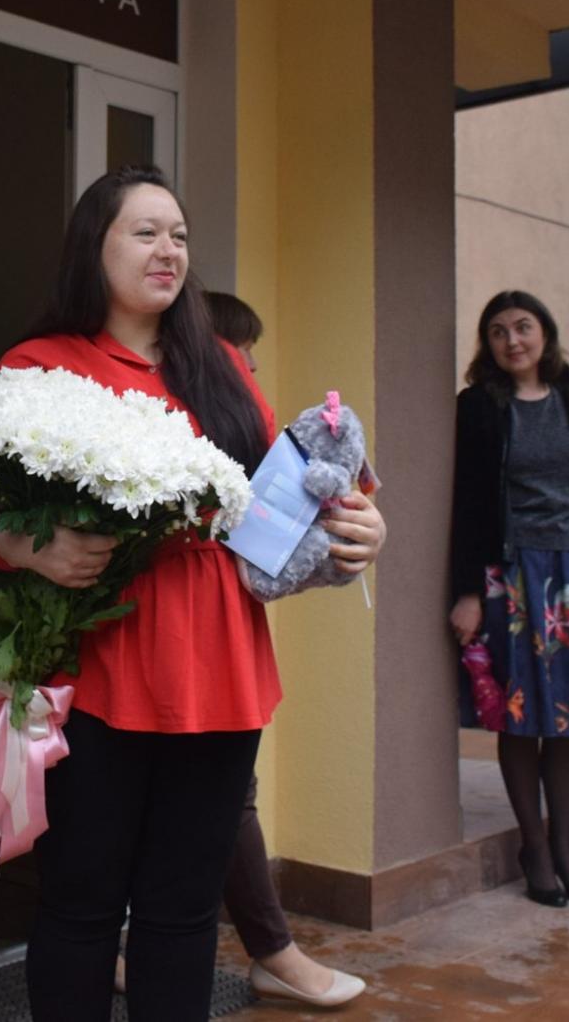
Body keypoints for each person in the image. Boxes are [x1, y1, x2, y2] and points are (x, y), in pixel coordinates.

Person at [0, 167, 386, 1020]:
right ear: (93, 247)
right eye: (145, 232)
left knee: (183, 913)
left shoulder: (219, 364)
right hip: (96, 672)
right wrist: (31, 549)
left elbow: (282, 500)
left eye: (179, 235)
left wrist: (361, 527)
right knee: (81, 904)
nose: (168, 250)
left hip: (220, 668)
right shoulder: (39, 366)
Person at [203, 290, 365, 1008]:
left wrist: (361, 527)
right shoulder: (208, 413)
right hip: (186, 638)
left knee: (217, 794)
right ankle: (273, 952)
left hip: (223, 634)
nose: (254, 368)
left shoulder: (241, 421)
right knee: (222, 796)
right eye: (244, 352)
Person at [449, 290, 569, 908]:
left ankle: (566, 851)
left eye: (523, 327)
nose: (512, 341)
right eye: (498, 331)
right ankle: (535, 849)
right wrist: (467, 591)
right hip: (512, 573)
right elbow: (467, 502)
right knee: (521, 715)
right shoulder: (478, 406)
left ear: (546, 334)